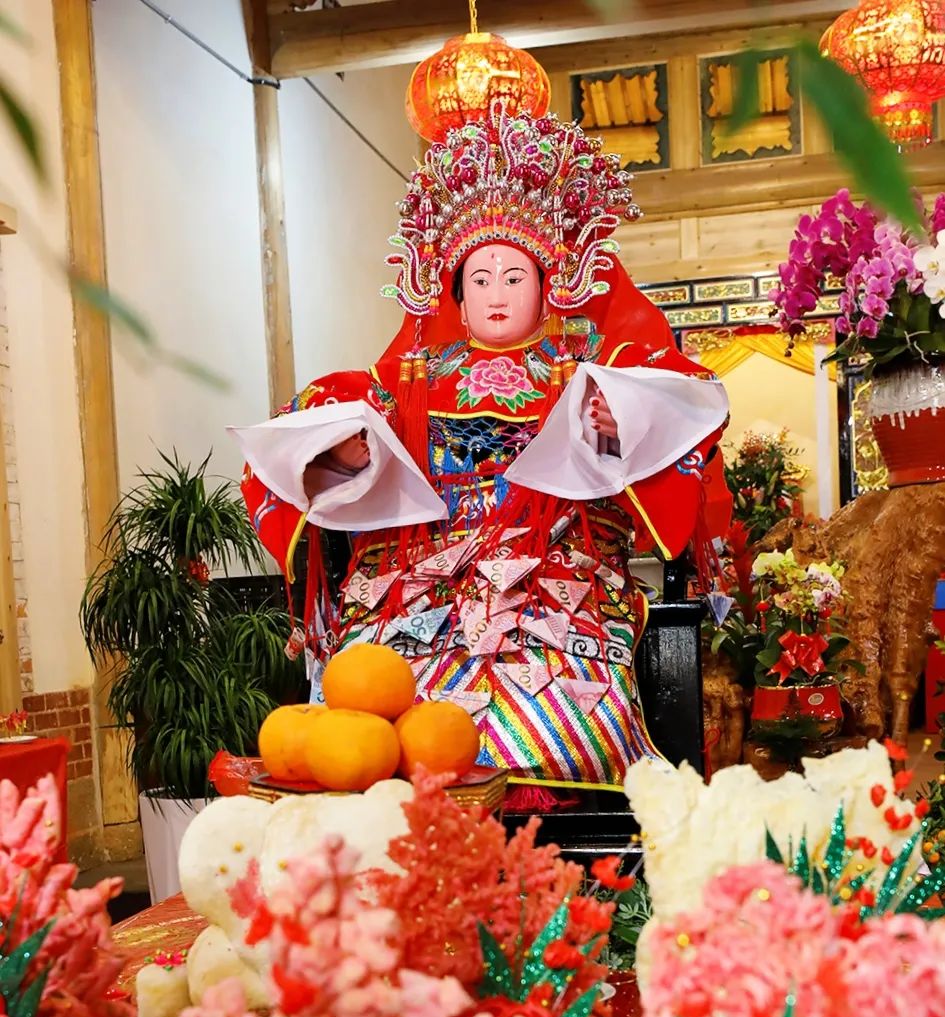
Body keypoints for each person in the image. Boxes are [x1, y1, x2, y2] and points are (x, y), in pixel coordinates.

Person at [233, 105, 730, 802]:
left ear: (548, 284)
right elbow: (329, 440)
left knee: (560, 706)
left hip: (553, 557)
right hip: (424, 564)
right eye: (480, 278)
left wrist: (616, 422)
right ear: (455, 298)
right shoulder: (412, 379)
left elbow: (680, 404)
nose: (496, 292)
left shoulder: (589, 361)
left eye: (514, 276)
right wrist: (343, 455)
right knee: (371, 698)